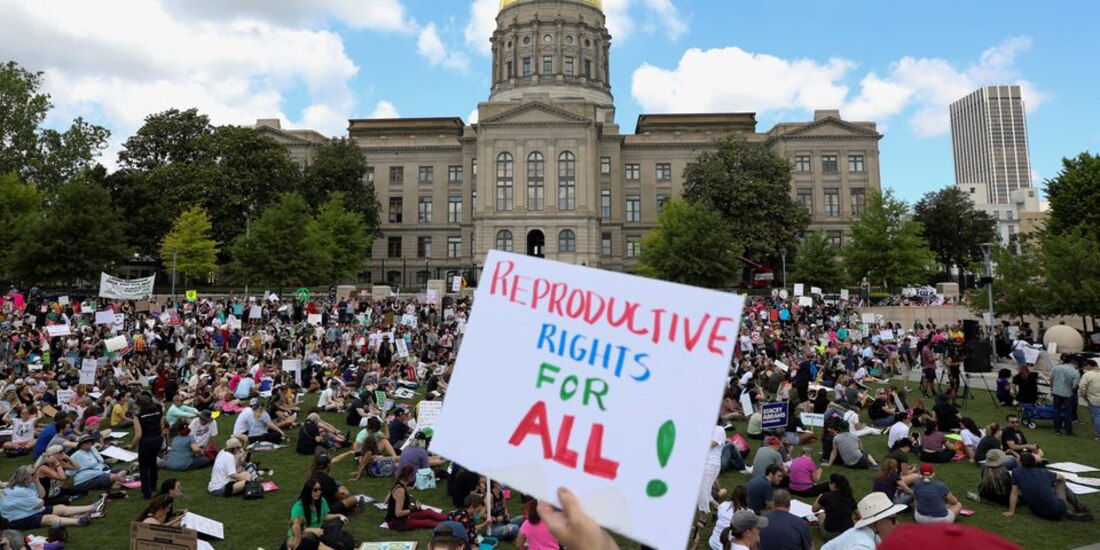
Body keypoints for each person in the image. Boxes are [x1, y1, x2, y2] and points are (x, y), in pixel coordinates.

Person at [0, 465, 101, 530]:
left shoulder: (29, 483)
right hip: (17, 519)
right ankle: (78, 522)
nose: (36, 475)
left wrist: (37, 481)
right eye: (33, 474)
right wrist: (39, 499)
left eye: (35, 473)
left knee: (60, 507)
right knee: (49, 518)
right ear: (25, 477)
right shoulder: (19, 491)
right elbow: (40, 502)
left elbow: (42, 495)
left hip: (30, 511)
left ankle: (92, 507)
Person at [1005, 452, 1093, 521]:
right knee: (1060, 483)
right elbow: (1062, 478)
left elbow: (1014, 493)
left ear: (1021, 463)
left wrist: (1011, 511)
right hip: (1056, 510)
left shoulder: (1016, 472)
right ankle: (1078, 507)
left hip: (1037, 511)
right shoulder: (1044, 473)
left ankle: (1069, 511)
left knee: (1047, 491)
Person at [820, 492, 906, 550]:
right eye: (893, 519)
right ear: (878, 524)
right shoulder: (865, 546)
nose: (897, 524)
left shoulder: (854, 532)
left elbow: (826, 547)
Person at [288, 478, 349, 548]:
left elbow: (324, 517)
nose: (318, 492)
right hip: (303, 533)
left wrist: (339, 515)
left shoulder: (321, 501)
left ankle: (331, 539)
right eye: (315, 490)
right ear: (308, 490)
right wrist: (313, 530)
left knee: (338, 521)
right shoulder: (298, 507)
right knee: (310, 537)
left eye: (320, 489)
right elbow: (295, 528)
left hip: (320, 529)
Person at [386, 465, 448, 531]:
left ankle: (450, 518)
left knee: (428, 512)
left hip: (404, 517)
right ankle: (450, 525)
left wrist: (409, 500)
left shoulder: (399, 484)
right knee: (427, 522)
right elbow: (398, 513)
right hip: (398, 522)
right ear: (410, 476)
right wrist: (414, 509)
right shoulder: (400, 490)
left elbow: (386, 500)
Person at [131, 394, 164, 499]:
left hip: (146, 441)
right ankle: (153, 485)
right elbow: (162, 427)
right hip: (157, 439)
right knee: (153, 462)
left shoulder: (138, 417)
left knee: (144, 467)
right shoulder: (158, 411)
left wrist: (132, 446)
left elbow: (138, 434)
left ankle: (146, 492)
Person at [813, 473, 856, 541]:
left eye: (830, 482)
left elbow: (814, 509)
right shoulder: (849, 497)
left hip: (831, 534)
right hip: (848, 533)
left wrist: (819, 497)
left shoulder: (826, 496)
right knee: (852, 519)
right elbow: (859, 515)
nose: (829, 484)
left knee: (821, 516)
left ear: (834, 484)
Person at [709, 486, 750, 550]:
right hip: (729, 547)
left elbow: (719, 516)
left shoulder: (723, 505)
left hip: (714, 542)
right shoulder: (748, 513)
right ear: (745, 498)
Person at [699, 420, 727, 514]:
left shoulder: (719, 430)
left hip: (711, 464)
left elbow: (708, 445)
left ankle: (704, 519)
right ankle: (719, 509)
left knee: (703, 492)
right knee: (703, 491)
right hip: (705, 464)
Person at [1050, 357, 1081, 436]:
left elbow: (1051, 379)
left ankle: (1057, 429)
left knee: (1056, 410)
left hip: (1056, 392)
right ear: (1076, 365)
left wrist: (1054, 387)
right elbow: (1074, 386)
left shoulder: (1056, 368)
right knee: (1068, 412)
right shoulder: (1075, 372)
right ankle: (1068, 431)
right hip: (1067, 394)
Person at [1080, 359, 1100, 441]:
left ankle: (1098, 434)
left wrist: (1083, 395)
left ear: (1090, 366)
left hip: (1093, 398)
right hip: (1094, 397)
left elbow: (1082, 386)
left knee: (1097, 416)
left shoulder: (1088, 375)